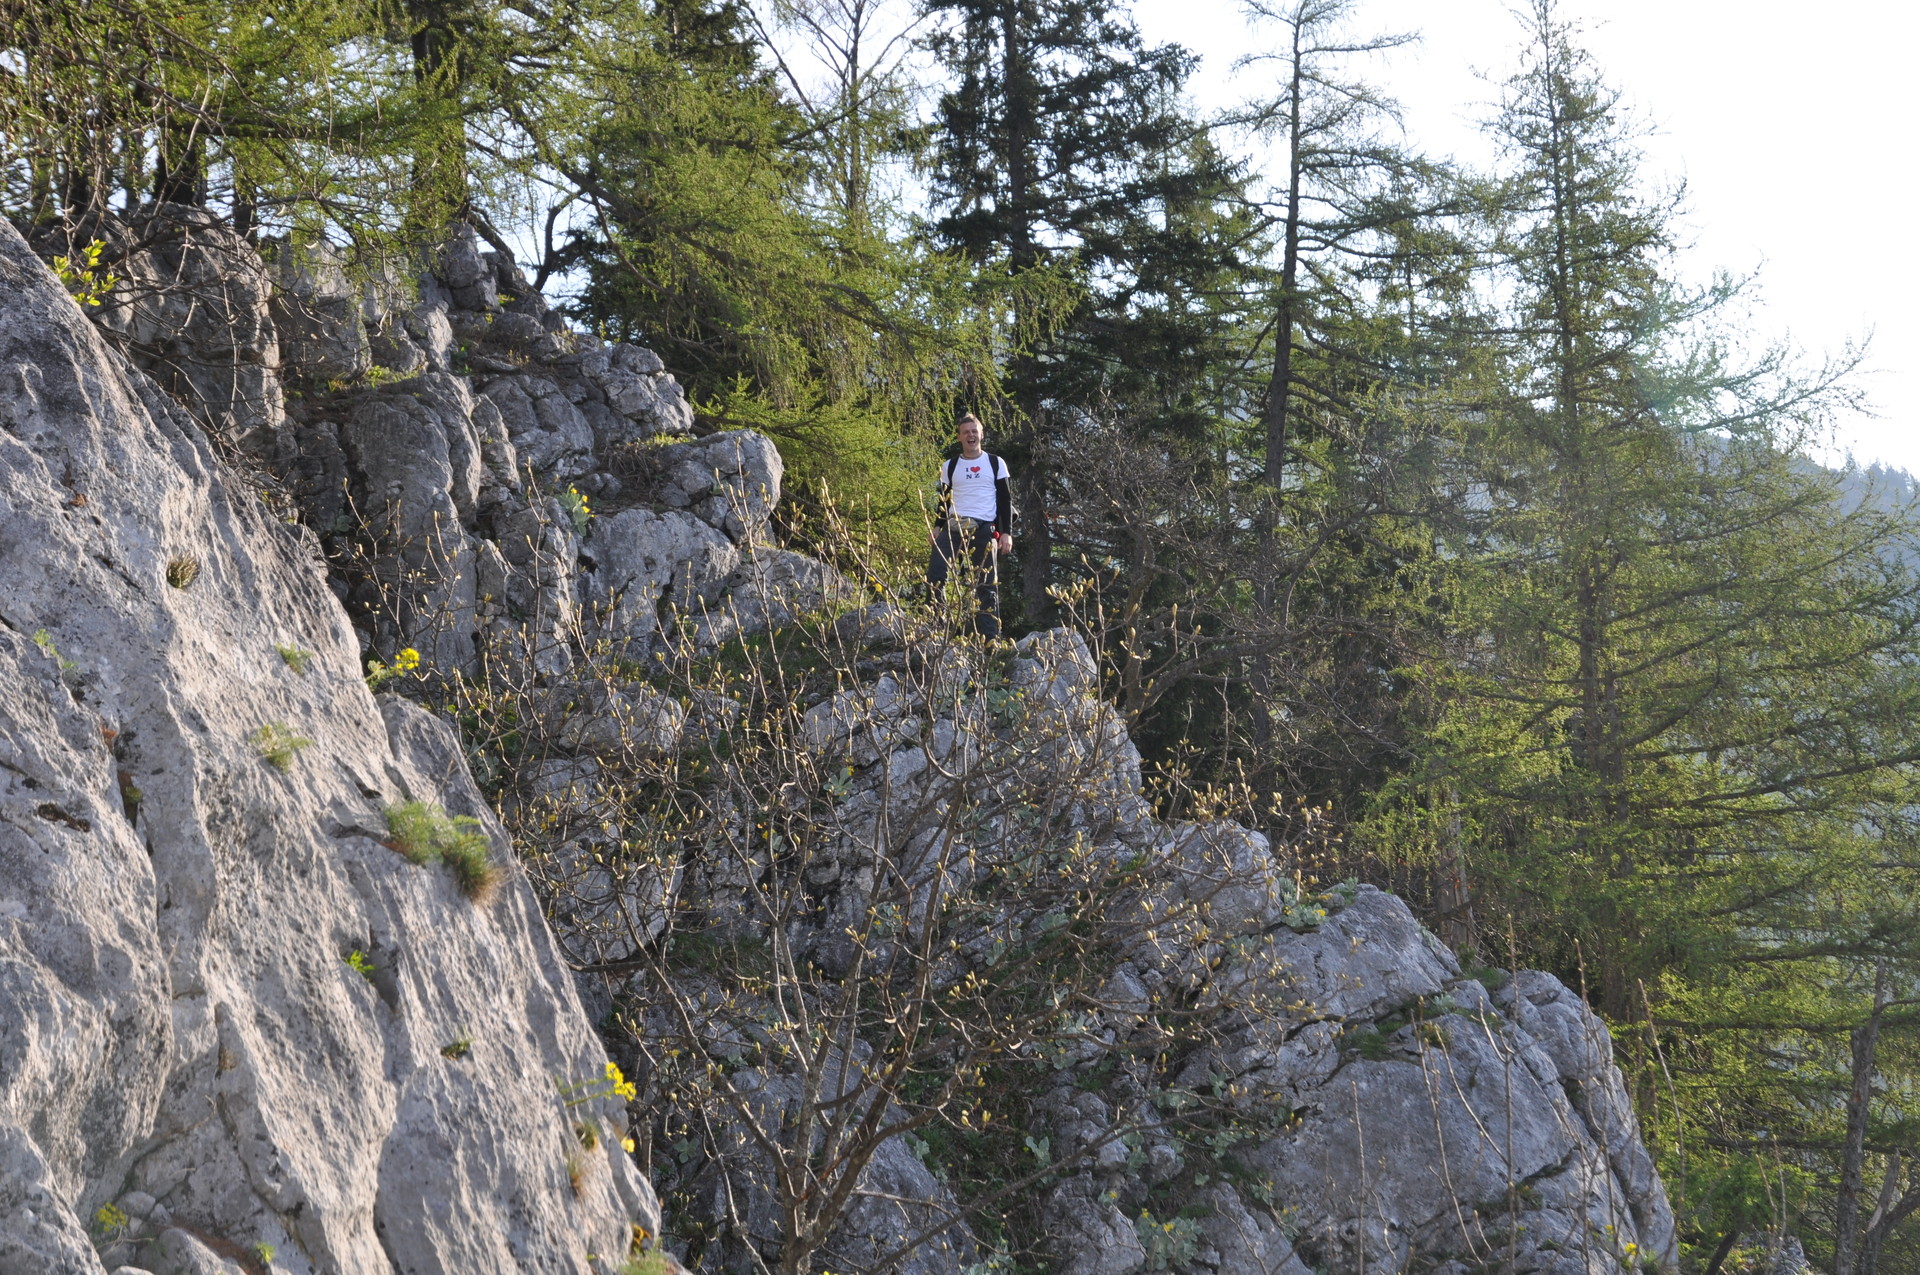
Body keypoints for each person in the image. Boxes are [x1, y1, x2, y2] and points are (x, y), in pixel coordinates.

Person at [926, 413, 1014, 638]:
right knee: (936, 576)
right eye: (966, 432)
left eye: (974, 431)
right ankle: (938, 632)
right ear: (959, 437)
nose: (971, 435)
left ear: (981, 434)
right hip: (954, 527)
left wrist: (1006, 533)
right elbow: (944, 499)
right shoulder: (950, 465)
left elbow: (1005, 499)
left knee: (986, 585)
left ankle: (991, 642)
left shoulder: (995, 463)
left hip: (984, 528)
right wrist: (937, 527)